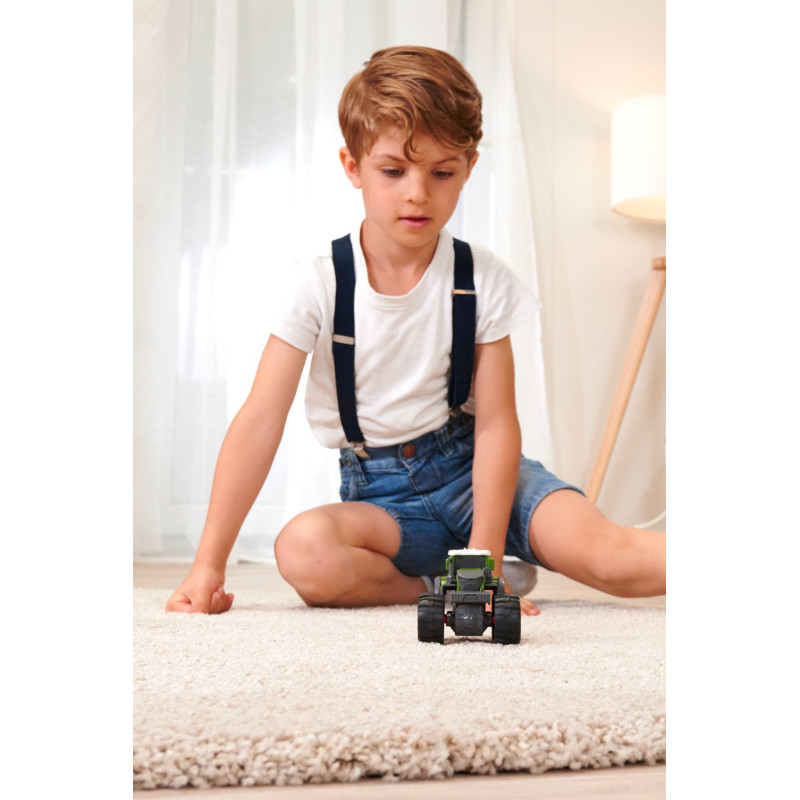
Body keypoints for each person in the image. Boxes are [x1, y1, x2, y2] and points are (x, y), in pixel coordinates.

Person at [166, 46, 665, 618]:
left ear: (469, 167)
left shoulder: (482, 278)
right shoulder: (318, 282)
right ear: (352, 167)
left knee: (611, 558)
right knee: (304, 553)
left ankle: (481, 569)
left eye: (442, 172)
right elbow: (260, 419)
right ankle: (439, 583)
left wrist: (486, 555)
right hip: (386, 503)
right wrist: (208, 565)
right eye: (393, 170)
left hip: (481, 479)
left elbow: (497, 425)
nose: (417, 193)